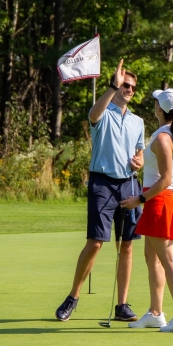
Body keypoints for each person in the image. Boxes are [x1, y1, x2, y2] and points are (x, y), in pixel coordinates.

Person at [55, 59, 144, 322]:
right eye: (125, 85)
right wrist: (110, 86)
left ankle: (122, 305)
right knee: (95, 243)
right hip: (102, 184)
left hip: (128, 184)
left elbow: (139, 151)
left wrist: (139, 160)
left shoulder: (138, 121)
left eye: (132, 87)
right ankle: (73, 297)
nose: (128, 90)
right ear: (117, 86)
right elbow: (93, 115)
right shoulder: (103, 111)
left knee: (126, 245)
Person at [120, 76, 173, 332]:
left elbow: (165, 180)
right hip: (161, 200)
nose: (153, 105)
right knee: (152, 259)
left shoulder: (164, 138)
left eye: (156, 102)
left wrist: (138, 200)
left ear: (161, 110)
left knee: (168, 261)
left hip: (159, 200)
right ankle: (156, 312)